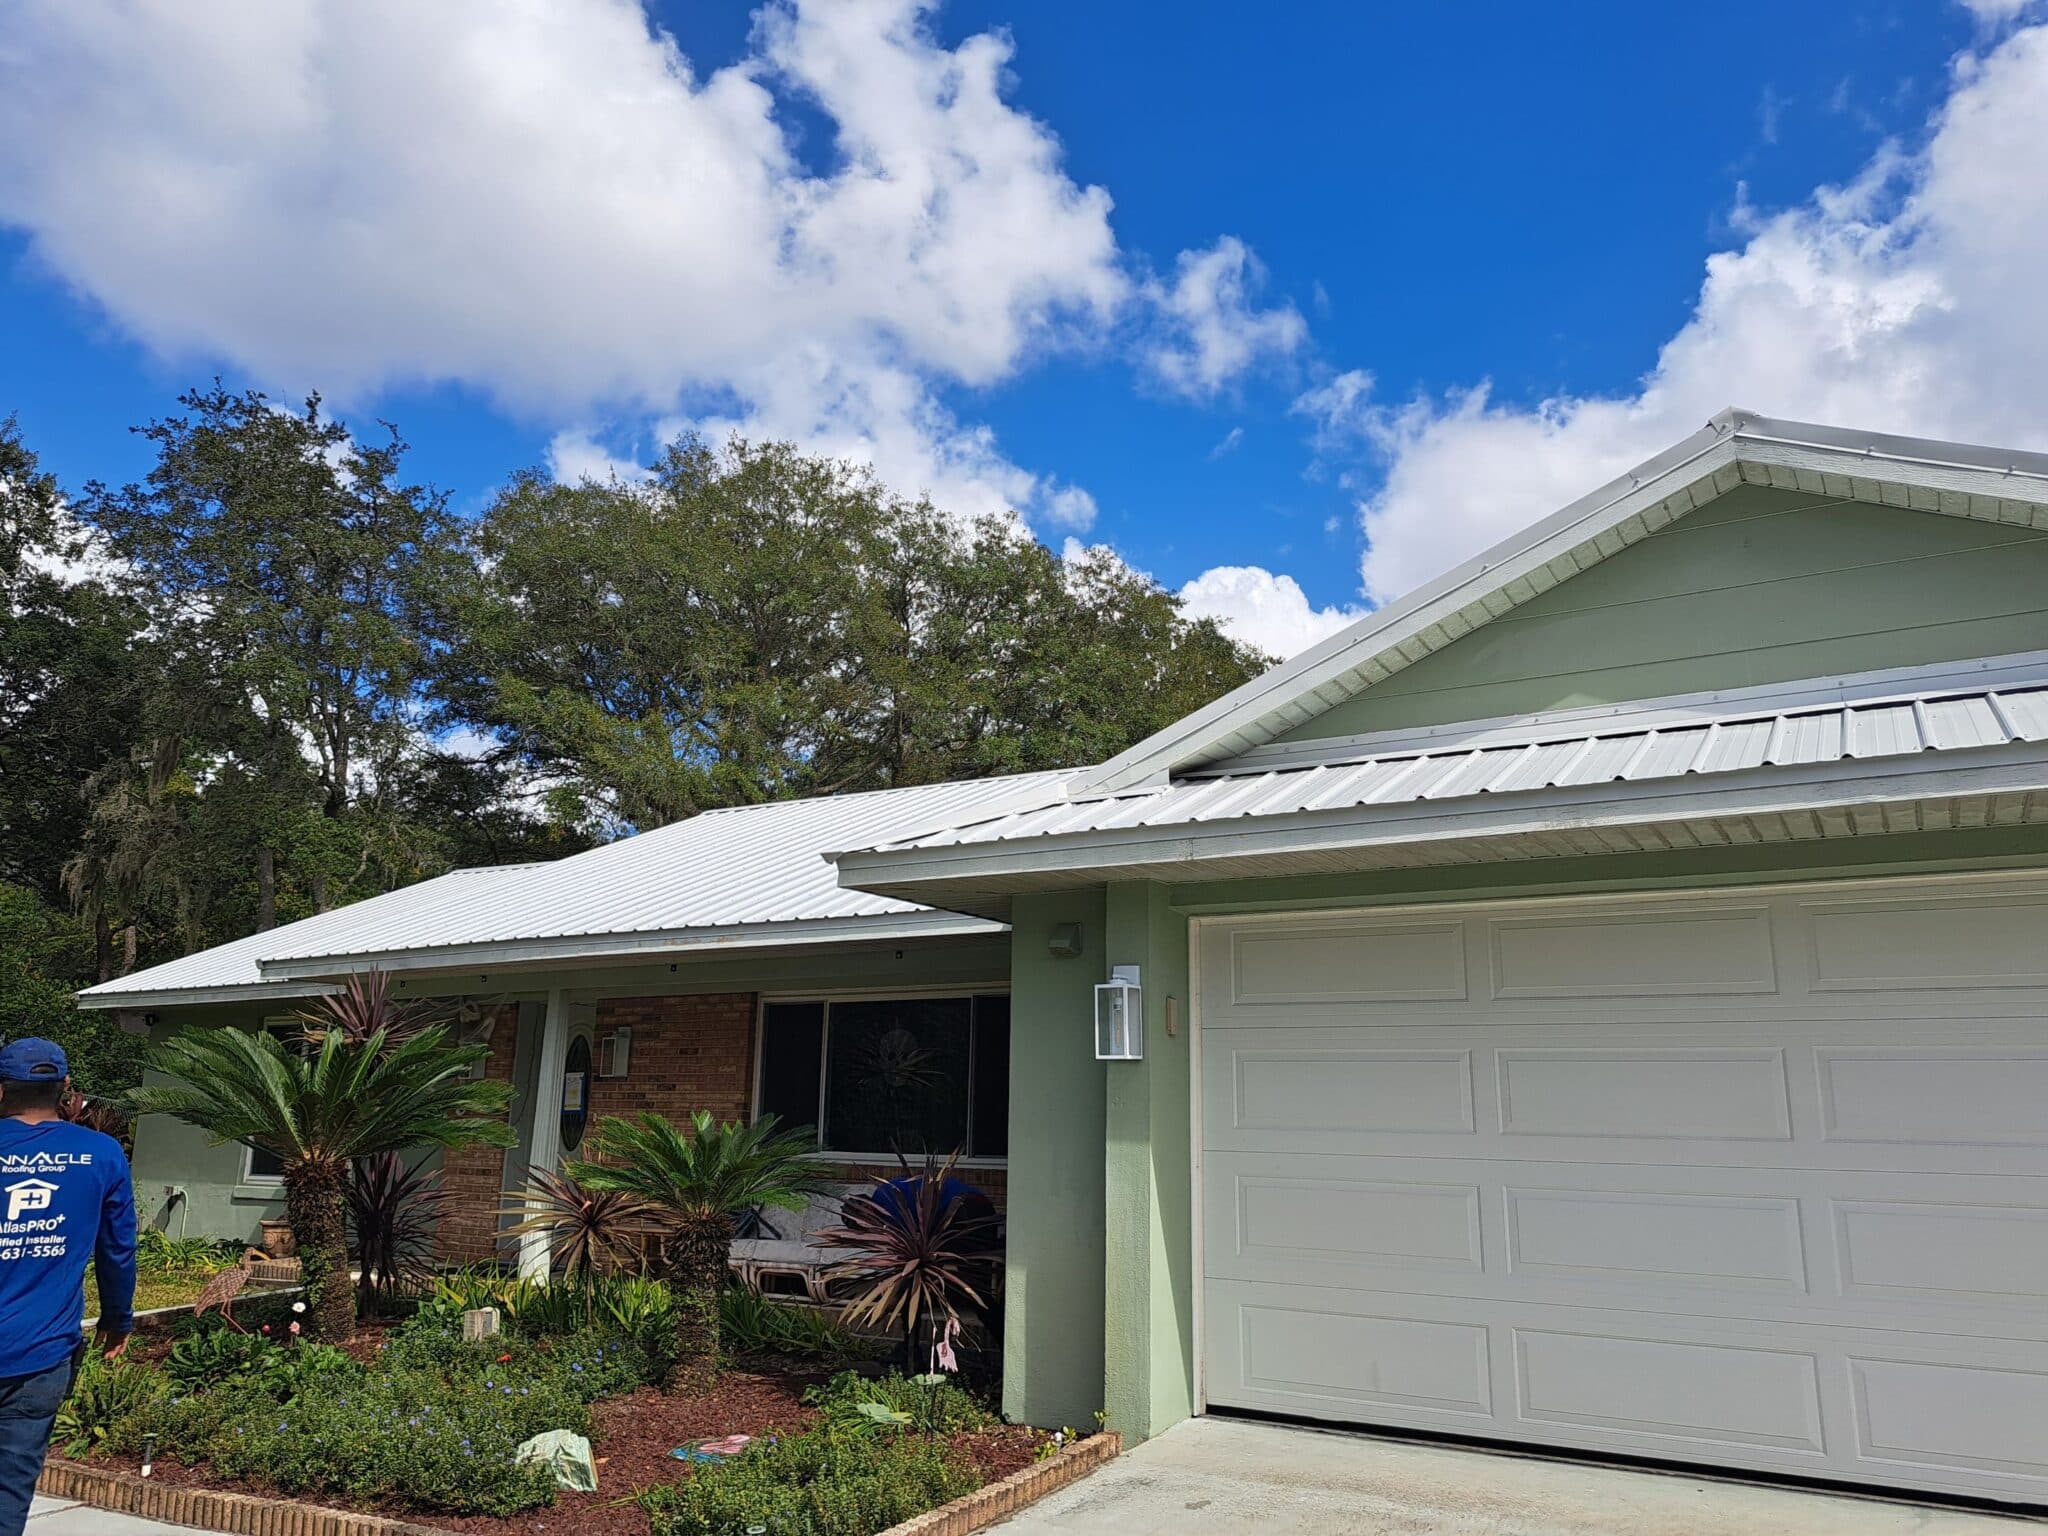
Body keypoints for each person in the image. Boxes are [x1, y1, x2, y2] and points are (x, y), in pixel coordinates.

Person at [0, 1040, 135, 1536]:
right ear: (64, 1091)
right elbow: (118, 1250)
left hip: (39, 1357)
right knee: (8, 1495)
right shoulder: (101, 1153)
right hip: (39, 1356)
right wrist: (118, 1321)